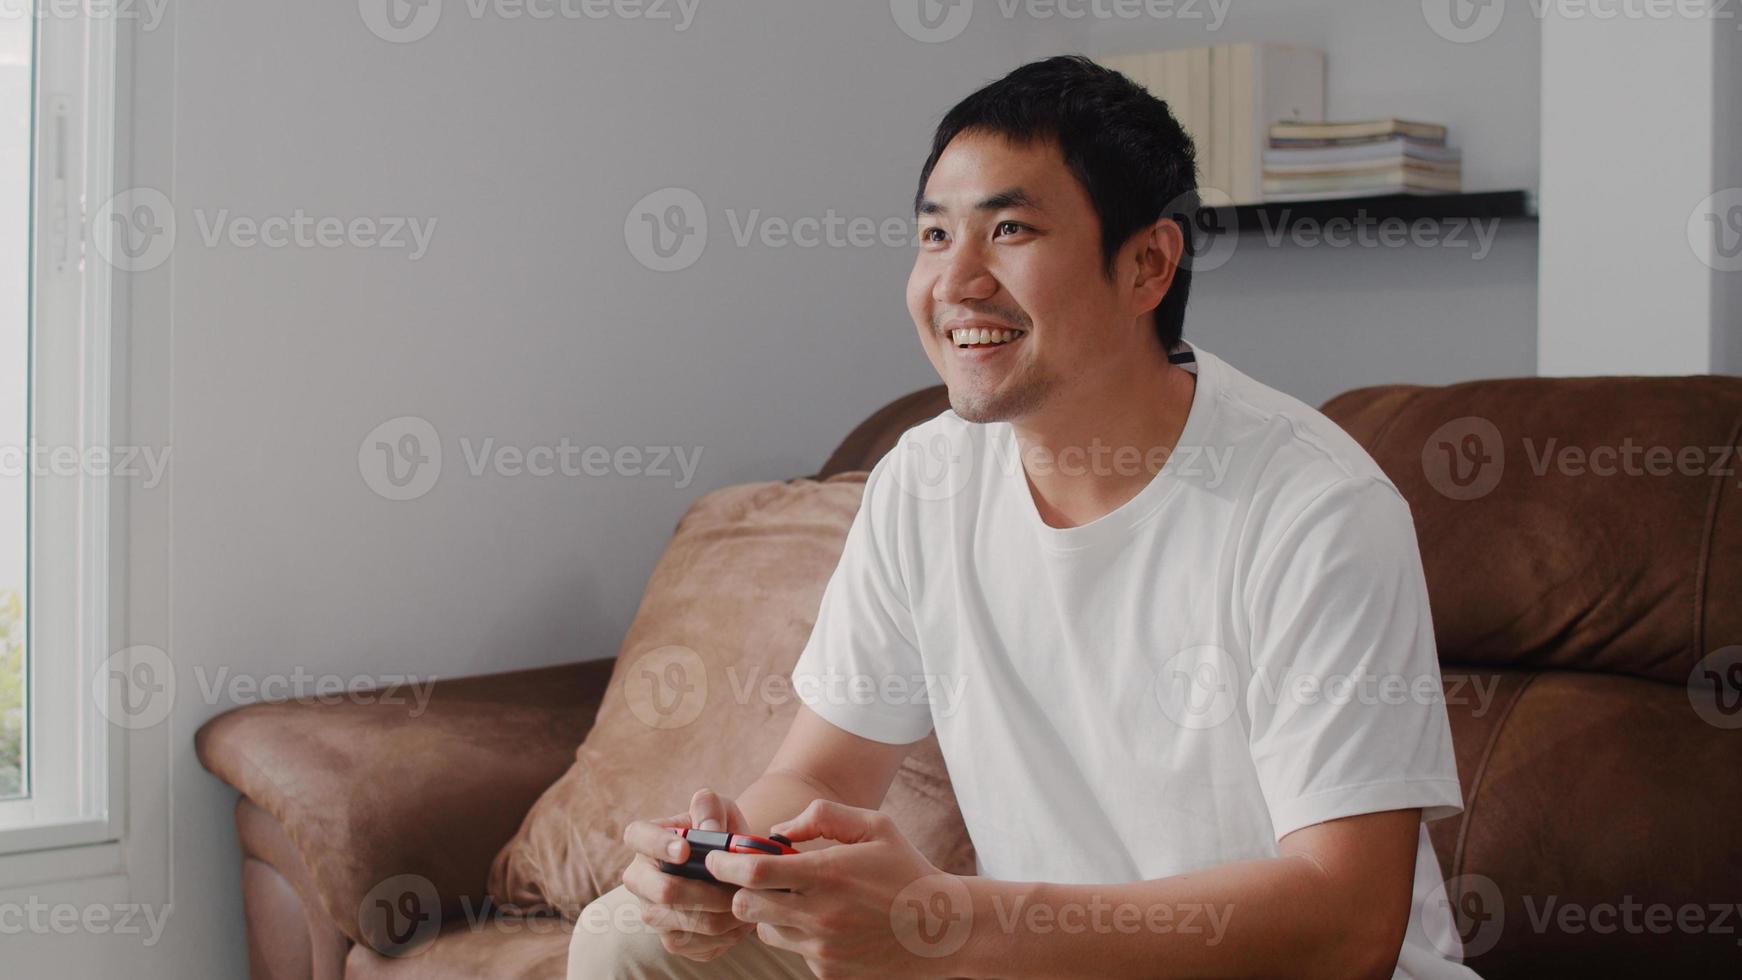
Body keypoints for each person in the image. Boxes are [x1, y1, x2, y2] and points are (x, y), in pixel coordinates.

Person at [569, 54, 1476, 979]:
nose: (955, 281)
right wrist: (722, 861)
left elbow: (1347, 922)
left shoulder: (1316, 509)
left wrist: (952, 922)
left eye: (1008, 229)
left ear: (1148, 264)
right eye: (933, 236)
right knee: (628, 943)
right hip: (1019, 962)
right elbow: (820, 776)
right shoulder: (925, 479)